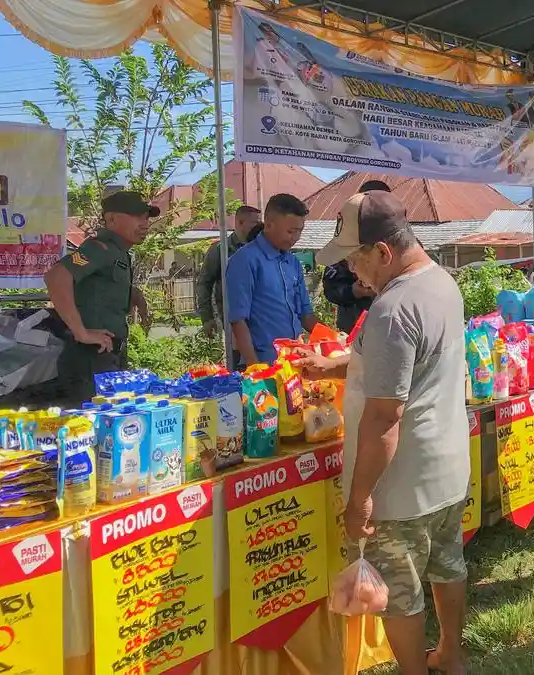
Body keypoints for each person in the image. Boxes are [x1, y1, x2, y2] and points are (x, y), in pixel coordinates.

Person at [300, 190, 470, 675]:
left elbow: (384, 417)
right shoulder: (441, 281)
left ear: (382, 251)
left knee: (400, 591)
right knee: (447, 565)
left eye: (356, 258)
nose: (352, 270)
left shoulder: (392, 309)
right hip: (446, 468)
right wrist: (337, 366)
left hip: (401, 482)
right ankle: (451, 656)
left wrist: (360, 499)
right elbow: (408, 366)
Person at [45, 191, 153, 400]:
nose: (145, 223)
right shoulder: (98, 248)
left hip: (108, 355)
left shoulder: (118, 252)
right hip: (90, 359)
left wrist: (135, 295)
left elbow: (103, 285)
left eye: (147, 217)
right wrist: (81, 332)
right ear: (112, 219)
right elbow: (56, 276)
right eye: (137, 216)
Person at [225, 193, 317, 367]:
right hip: (263, 362)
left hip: (294, 361)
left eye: (299, 231)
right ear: (268, 224)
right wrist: (253, 365)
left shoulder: (293, 263)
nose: (295, 238)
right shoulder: (244, 260)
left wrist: (334, 339)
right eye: (290, 231)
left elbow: (306, 314)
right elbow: (238, 320)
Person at [323, 180, 390, 333]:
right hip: (353, 325)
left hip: (390, 325)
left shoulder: (401, 239)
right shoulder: (347, 236)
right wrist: (354, 291)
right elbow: (331, 288)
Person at [197, 205, 262, 337]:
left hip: (260, 316)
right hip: (233, 318)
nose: (258, 227)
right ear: (240, 222)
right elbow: (205, 283)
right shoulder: (221, 249)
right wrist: (207, 318)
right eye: (254, 223)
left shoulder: (261, 248)